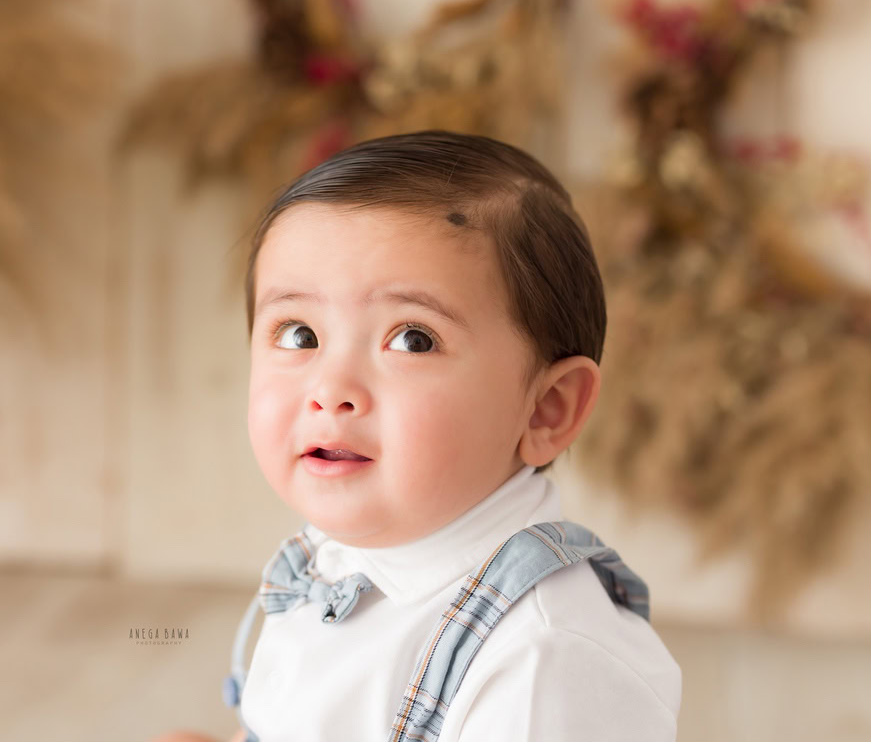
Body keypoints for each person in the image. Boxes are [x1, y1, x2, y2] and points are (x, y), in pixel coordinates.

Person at [163, 130, 681, 742]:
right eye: (299, 334)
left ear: (546, 409)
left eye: (412, 338)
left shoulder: (543, 662)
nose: (332, 389)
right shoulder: (343, 561)